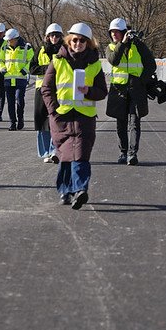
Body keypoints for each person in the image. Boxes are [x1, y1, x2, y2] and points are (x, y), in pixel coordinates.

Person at [41, 23, 108, 209]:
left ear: (88, 43)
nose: (78, 44)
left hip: (84, 117)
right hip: (61, 117)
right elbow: (46, 88)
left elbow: (102, 91)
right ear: (69, 41)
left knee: (81, 154)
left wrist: (88, 91)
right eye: (75, 40)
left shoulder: (95, 65)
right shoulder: (58, 61)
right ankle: (66, 190)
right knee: (65, 155)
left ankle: (80, 190)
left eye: (82, 41)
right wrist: (53, 111)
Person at [105, 18, 157, 166]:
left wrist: (142, 80)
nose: (114, 34)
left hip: (136, 90)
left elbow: (151, 64)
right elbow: (114, 60)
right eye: (112, 32)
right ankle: (123, 152)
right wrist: (122, 44)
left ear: (123, 32)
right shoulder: (110, 47)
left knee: (134, 122)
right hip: (119, 91)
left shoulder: (138, 46)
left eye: (117, 32)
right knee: (120, 123)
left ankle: (132, 153)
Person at [30, 23, 64, 163]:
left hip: (58, 90)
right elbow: (32, 68)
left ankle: (54, 151)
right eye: (52, 35)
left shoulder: (64, 50)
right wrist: (47, 69)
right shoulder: (40, 50)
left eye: (57, 35)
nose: (54, 38)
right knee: (42, 121)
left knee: (56, 121)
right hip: (41, 90)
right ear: (47, 36)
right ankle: (45, 152)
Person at [0, 28, 34, 131]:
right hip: (8, 79)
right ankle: (12, 123)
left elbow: (31, 61)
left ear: (15, 39)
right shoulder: (4, 48)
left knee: (19, 100)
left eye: (9, 40)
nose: (7, 42)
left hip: (20, 79)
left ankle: (20, 118)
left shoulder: (26, 48)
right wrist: (2, 68)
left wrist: (25, 70)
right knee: (10, 102)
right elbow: (0, 60)